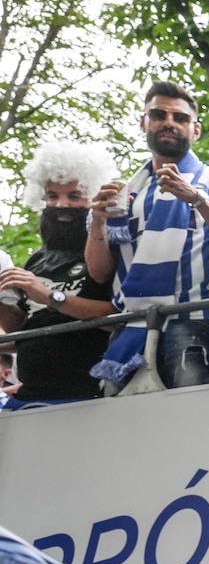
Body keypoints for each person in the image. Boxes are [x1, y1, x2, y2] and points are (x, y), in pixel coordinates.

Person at [86, 82, 209, 389]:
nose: (169, 123)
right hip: (129, 330)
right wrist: (97, 222)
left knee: (197, 425)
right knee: (130, 432)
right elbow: (99, 273)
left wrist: (198, 199)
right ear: (144, 122)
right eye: (159, 114)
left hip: (195, 320)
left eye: (180, 118)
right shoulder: (123, 193)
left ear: (195, 130)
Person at [0, 142, 118, 404]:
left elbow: (118, 316)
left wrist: (49, 295)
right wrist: (5, 298)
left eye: (74, 196)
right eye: (52, 196)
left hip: (90, 398)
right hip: (33, 396)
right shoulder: (38, 259)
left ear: (94, 198)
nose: (61, 205)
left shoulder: (110, 251)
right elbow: (19, 327)